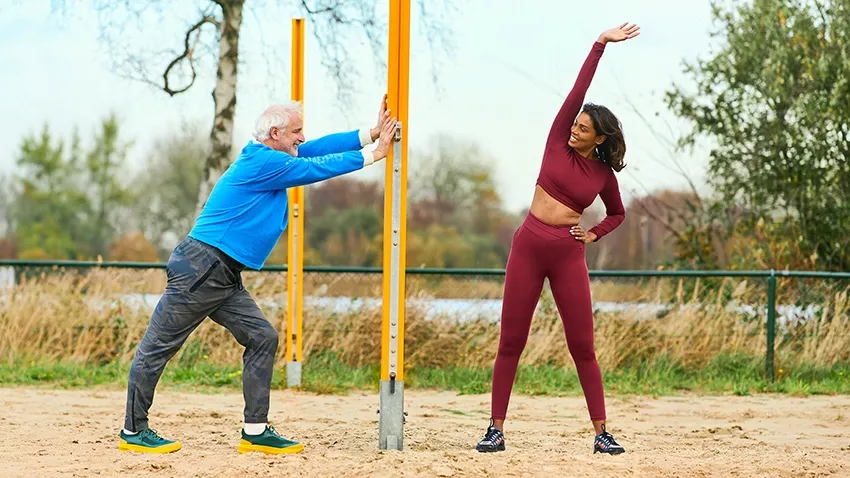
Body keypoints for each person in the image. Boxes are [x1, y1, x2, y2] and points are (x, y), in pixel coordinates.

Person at [117, 96, 398, 455]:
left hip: (222, 272)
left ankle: (255, 431)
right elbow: (316, 167)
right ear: (275, 133)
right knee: (157, 347)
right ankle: (133, 430)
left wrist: (369, 134)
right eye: (296, 131)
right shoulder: (265, 162)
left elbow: (316, 149)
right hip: (201, 268)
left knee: (262, 337)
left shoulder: (272, 156)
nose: (301, 137)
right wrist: (374, 154)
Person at [475, 23, 640, 455]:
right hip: (528, 246)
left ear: (599, 138)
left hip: (568, 254)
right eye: (576, 124)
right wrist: (599, 44)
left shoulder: (602, 174)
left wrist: (593, 234)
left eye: (584, 129)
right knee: (511, 341)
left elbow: (618, 213)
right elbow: (577, 91)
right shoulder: (556, 141)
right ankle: (495, 429)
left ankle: (601, 432)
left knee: (582, 346)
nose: (575, 130)